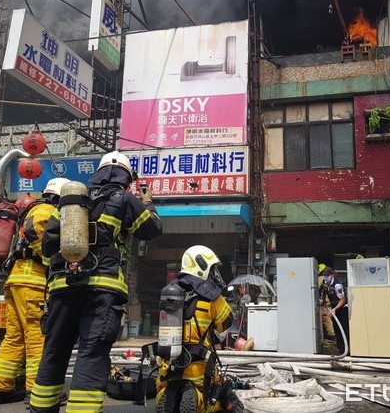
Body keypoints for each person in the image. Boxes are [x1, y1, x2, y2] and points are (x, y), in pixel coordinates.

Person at [29, 151, 163, 413]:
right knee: (92, 352)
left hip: (62, 288)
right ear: (126, 177)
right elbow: (153, 229)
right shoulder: (124, 198)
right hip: (102, 290)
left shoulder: (70, 201)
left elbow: (47, 245)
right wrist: (148, 203)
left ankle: (41, 409)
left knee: (54, 350)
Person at [0, 178, 69, 406]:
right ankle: (36, 389)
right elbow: (35, 231)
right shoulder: (46, 209)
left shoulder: (32, 209)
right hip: (32, 283)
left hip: (17, 280)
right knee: (37, 335)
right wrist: (52, 259)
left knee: (15, 336)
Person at [156, 245, 243, 413]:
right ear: (201, 266)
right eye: (211, 269)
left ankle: (165, 394)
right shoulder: (212, 296)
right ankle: (197, 399)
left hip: (169, 367)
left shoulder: (169, 292)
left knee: (163, 389)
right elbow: (226, 322)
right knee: (216, 396)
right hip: (198, 369)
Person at [319, 267, 349, 355]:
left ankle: (345, 350)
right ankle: (340, 351)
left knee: (343, 329)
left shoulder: (337, 285)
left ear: (331, 275)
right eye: (324, 276)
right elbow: (324, 291)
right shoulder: (325, 282)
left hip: (342, 308)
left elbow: (343, 299)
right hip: (334, 308)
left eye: (327, 276)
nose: (325, 277)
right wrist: (323, 300)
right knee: (336, 329)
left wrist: (335, 309)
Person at [317, 263, 335, 340]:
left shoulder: (321, 278)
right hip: (330, 301)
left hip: (325, 302)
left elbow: (316, 288)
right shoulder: (330, 278)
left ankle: (331, 335)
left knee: (326, 318)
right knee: (329, 318)